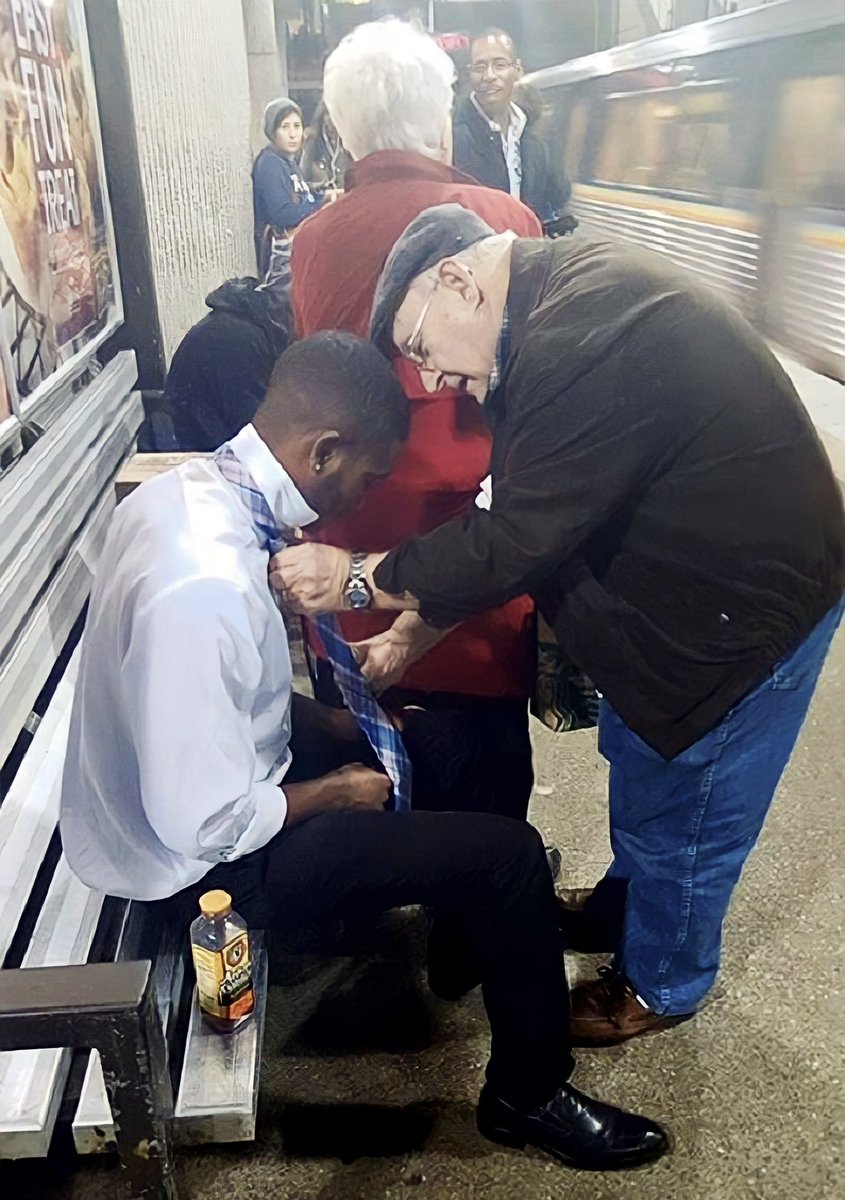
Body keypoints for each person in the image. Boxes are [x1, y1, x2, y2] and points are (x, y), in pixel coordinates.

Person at [59, 331, 668, 1173]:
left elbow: (224, 709)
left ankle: (471, 941)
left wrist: (346, 730)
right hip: (204, 872)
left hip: (206, 784)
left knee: (445, 737)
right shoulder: (203, 589)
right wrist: (336, 791)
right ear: (324, 450)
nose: (364, 497)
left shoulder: (191, 492)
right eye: (368, 476)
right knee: (510, 855)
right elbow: (202, 823)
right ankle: (527, 1094)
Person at [271, 206, 845, 1048]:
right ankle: (627, 901)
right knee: (641, 764)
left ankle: (661, 982)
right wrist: (407, 636)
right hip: (676, 600)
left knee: (689, 810)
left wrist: (361, 576)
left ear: (458, 282)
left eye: (423, 350)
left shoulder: (582, 335)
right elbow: (518, 513)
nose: (431, 382)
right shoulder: (544, 313)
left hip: (741, 621)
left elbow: (514, 539)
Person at [290, 18, 542, 823]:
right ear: (441, 117)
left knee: (380, 765)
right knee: (487, 795)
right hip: (475, 568)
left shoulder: (312, 240)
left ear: (337, 127)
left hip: (347, 571)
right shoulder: (506, 217)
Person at [452, 29, 571, 231]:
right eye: (480, 66)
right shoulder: (452, 136)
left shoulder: (534, 139)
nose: (489, 76)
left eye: (499, 65)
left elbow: (555, 195)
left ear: (517, 70)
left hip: (525, 256)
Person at [162, 276, 290, 452]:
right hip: (197, 451)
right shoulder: (237, 338)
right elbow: (253, 433)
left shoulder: (249, 323)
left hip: (211, 443)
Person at [252, 97, 322, 276]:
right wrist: (321, 204)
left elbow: (302, 199)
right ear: (272, 131)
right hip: (278, 264)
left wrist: (323, 196)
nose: (293, 134)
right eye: (285, 127)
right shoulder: (269, 164)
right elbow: (282, 215)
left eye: (297, 126)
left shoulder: (288, 162)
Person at [301, 99, 352, 192]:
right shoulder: (314, 140)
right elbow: (305, 174)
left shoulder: (350, 140)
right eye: (327, 114)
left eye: (334, 114)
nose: (330, 118)